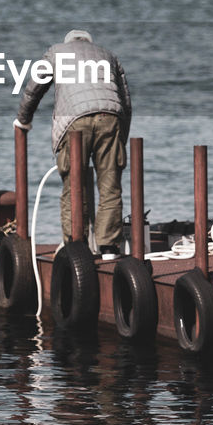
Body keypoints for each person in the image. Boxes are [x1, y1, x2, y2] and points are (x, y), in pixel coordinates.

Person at [14, 30, 131, 259]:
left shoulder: (56, 52)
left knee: (73, 184)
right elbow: (125, 102)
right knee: (110, 185)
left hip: (74, 121)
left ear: (69, 42)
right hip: (110, 117)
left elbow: (34, 87)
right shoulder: (109, 55)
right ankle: (108, 247)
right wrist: (121, 140)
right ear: (89, 43)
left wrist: (23, 119)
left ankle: (76, 245)